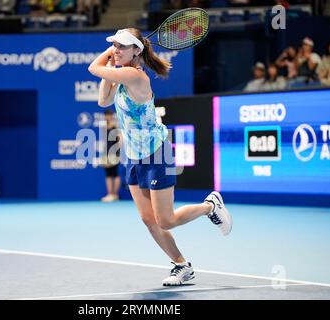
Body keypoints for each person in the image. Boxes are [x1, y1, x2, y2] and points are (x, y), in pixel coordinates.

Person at [88, 28, 233, 286]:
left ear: (136, 51)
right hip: (133, 157)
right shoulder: (121, 75)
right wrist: (114, 59)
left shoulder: (135, 77)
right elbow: (102, 100)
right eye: (114, 45)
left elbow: (93, 68)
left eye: (122, 46)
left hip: (156, 153)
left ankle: (210, 206)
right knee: (148, 220)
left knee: (166, 220)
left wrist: (109, 56)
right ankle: (181, 265)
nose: (116, 50)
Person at [100, 110, 121, 202]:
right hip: (106, 153)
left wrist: (117, 149)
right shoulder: (104, 127)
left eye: (109, 115)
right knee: (108, 174)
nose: (107, 117)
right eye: (106, 116)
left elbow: (120, 139)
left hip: (114, 153)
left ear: (111, 116)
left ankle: (115, 195)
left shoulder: (115, 126)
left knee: (115, 173)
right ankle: (110, 194)